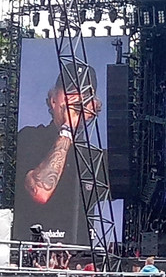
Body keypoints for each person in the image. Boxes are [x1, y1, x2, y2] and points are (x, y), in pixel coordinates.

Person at [13, 62, 103, 245]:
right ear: (53, 100)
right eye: (71, 91)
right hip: (33, 252)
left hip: (81, 256)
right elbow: (40, 192)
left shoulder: (95, 156)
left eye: (85, 94)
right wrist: (67, 129)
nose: (78, 99)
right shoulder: (29, 137)